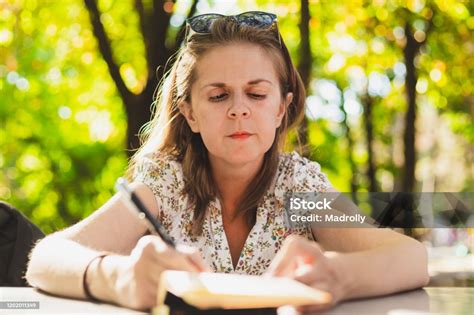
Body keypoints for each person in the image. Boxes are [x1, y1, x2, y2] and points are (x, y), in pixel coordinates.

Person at [25, 11, 429, 312]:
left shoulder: (299, 188)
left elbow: (412, 259)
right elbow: (45, 258)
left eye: (256, 94)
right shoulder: (166, 183)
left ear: (281, 110)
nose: (239, 110)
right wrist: (121, 277)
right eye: (219, 96)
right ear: (190, 113)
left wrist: (338, 278)